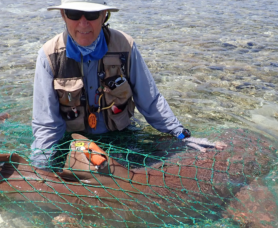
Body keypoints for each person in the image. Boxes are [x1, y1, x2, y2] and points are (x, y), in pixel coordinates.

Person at [31, 0, 225, 167]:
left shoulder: (125, 46)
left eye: (91, 14)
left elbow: (150, 101)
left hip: (121, 137)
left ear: (104, 15)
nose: (83, 23)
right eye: (74, 14)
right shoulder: (48, 55)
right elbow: (46, 125)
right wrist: (40, 166)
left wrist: (181, 135)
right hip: (72, 142)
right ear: (64, 15)